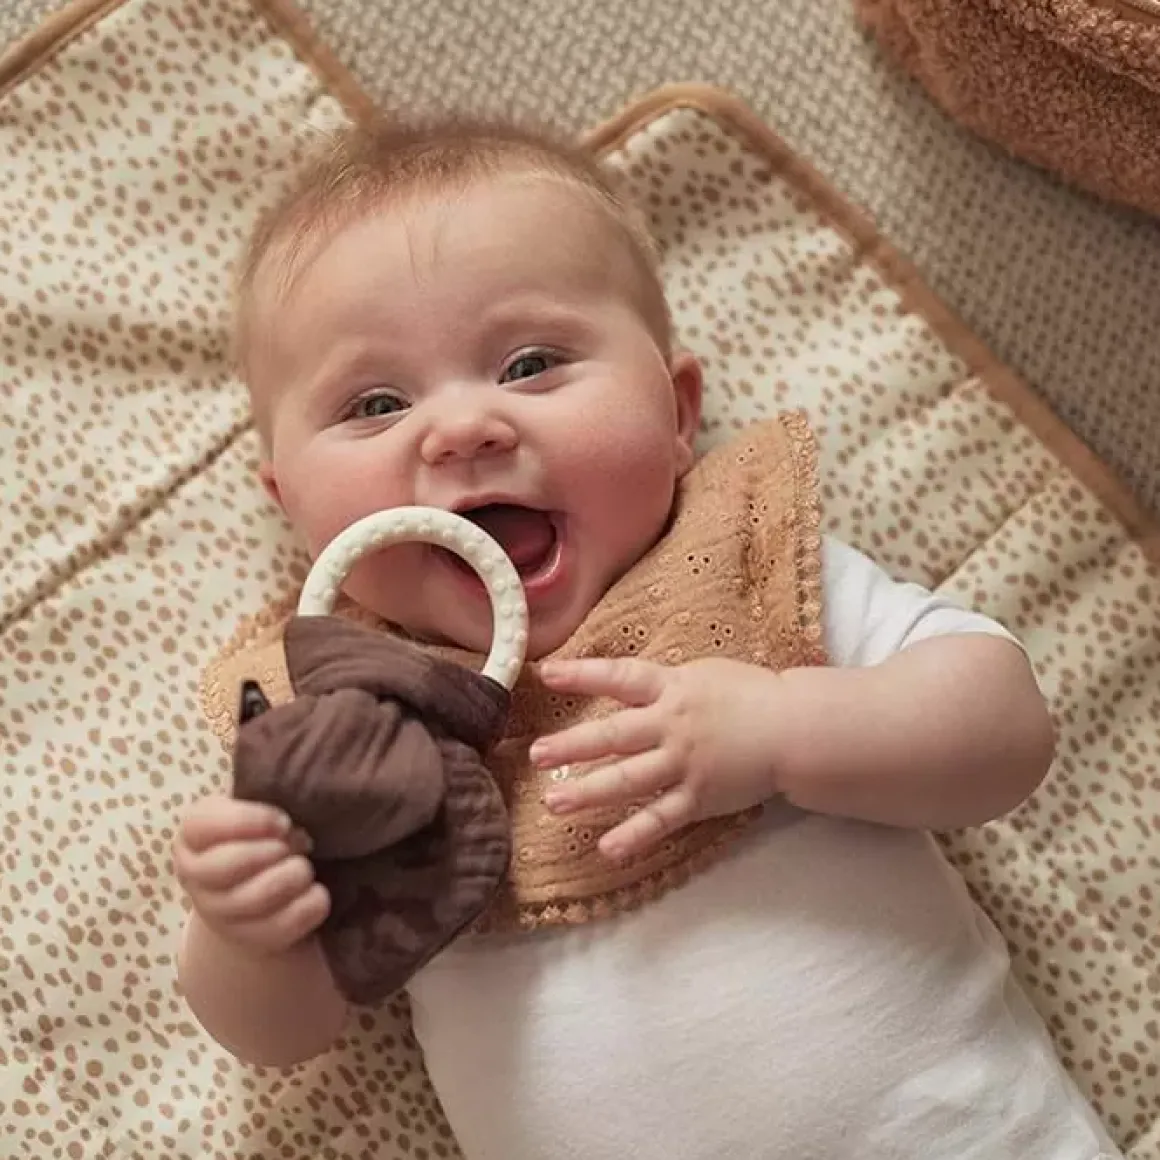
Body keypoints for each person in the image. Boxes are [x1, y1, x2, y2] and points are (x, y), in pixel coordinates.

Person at [174, 117, 1119, 1159]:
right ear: (290, 501)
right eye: (376, 402)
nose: (461, 429)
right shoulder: (342, 729)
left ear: (676, 412)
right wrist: (246, 930)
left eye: (530, 362)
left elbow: (1003, 730)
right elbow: (279, 1030)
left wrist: (778, 732)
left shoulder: (747, 572)